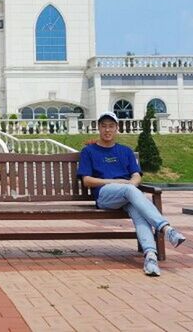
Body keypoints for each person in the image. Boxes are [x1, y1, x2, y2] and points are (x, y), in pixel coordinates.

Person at [76, 111, 186, 276]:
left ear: (117, 128)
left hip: (127, 195)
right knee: (130, 191)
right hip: (104, 195)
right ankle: (165, 228)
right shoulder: (89, 151)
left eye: (111, 126)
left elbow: (136, 175)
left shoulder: (125, 151)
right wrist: (118, 183)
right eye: (104, 126)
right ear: (98, 128)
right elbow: (87, 181)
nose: (107, 130)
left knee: (138, 211)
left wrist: (131, 185)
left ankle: (150, 257)